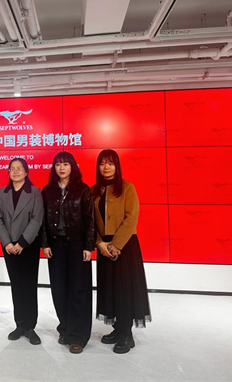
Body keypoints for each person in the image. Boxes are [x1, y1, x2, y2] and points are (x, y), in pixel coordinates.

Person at [92, 149, 151, 354]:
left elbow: (131, 218)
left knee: (124, 289)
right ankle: (118, 329)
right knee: (110, 288)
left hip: (124, 247)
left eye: (110, 163)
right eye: (102, 163)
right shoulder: (93, 190)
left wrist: (115, 245)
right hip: (103, 247)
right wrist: (99, 243)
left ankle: (127, 334)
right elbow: (90, 221)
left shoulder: (127, 187)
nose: (106, 167)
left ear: (117, 166)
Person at [41, 151, 96, 354]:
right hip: (55, 247)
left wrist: (88, 246)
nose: (61, 168)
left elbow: (90, 220)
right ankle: (64, 328)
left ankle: (78, 336)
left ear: (73, 166)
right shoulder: (48, 190)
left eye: (65, 164)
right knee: (59, 289)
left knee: (78, 290)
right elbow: (42, 221)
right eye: (58, 164)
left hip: (77, 246)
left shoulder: (83, 189)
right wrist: (45, 244)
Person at [0, 158, 44, 345]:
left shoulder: (35, 192)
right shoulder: (2, 193)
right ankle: (19, 324)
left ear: (26, 172)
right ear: (8, 172)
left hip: (28, 246)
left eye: (19, 168)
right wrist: (7, 242)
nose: (15, 172)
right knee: (16, 285)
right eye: (12, 169)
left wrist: (22, 243)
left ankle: (30, 327)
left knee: (29, 285)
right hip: (9, 247)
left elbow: (37, 219)